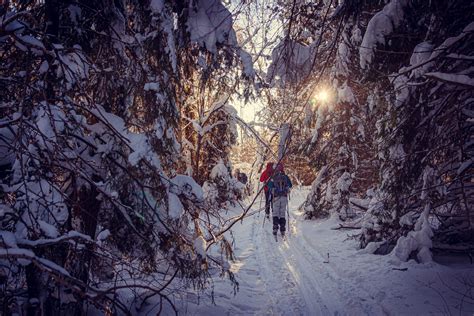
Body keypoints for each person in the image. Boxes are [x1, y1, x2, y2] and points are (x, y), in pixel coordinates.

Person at [268, 164, 292, 238]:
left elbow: (269, 186)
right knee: (282, 213)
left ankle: (275, 228)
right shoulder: (285, 177)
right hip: (284, 197)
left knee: (275, 213)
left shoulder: (273, 177)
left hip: (276, 197)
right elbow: (290, 185)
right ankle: (282, 229)